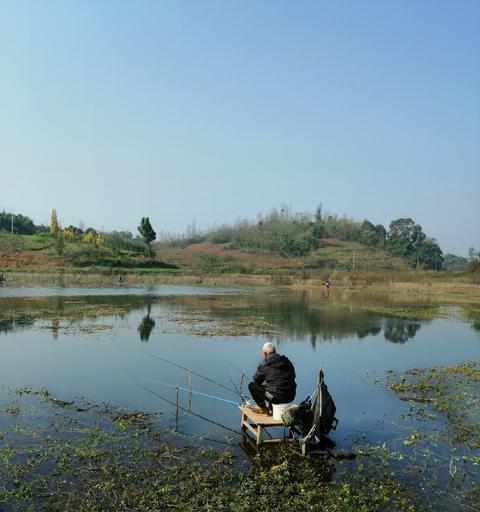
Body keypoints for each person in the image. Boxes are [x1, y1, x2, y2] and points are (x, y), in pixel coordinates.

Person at [248, 342, 296, 415]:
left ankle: (263, 408)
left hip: (276, 398)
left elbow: (257, 381)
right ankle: (271, 407)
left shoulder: (265, 364)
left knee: (252, 386)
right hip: (291, 396)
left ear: (264, 354)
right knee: (272, 388)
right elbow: (292, 376)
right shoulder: (287, 361)